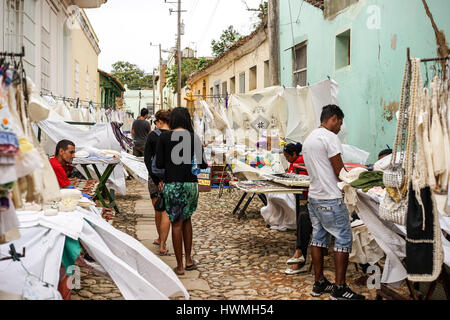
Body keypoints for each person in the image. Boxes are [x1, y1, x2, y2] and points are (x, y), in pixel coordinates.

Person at [302, 104, 365, 300]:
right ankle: (339, 288)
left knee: (318, 237)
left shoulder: (309, 138)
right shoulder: (330, 137)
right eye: (340, 123)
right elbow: (340, 171)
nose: (340, 127)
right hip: (330, 197)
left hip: (314, 197)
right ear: (334, 118)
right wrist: (358, 177)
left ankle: (319, 283)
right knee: (344, 239)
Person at [155, 107, 208, 276]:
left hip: (173, 184)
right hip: (191, 185)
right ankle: (189, 260)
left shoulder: (164, 137)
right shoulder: (194, 138)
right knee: (187, 220)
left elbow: (159, 164)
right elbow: (203, 164)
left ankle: (179, 266)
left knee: (176, 223)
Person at [281, 143, 313, 275]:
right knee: (303, 216)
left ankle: (299, 253)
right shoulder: (298, 162)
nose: (287, 159)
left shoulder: (300, 163)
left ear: (294, 154)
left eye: (288, 156)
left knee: (303, 215)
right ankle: (299, 252)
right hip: (314, 200)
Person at [144, 109, 172, 256]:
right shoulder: (175, 135)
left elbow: (147, 159)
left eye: (156, 122)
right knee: (166, 210)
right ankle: (163, 242)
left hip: (155, 177)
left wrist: (156, 179)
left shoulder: (153, 136)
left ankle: (160, 238)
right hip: (170, 177)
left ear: (160, 122)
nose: (155, 124)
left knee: (158, 209)